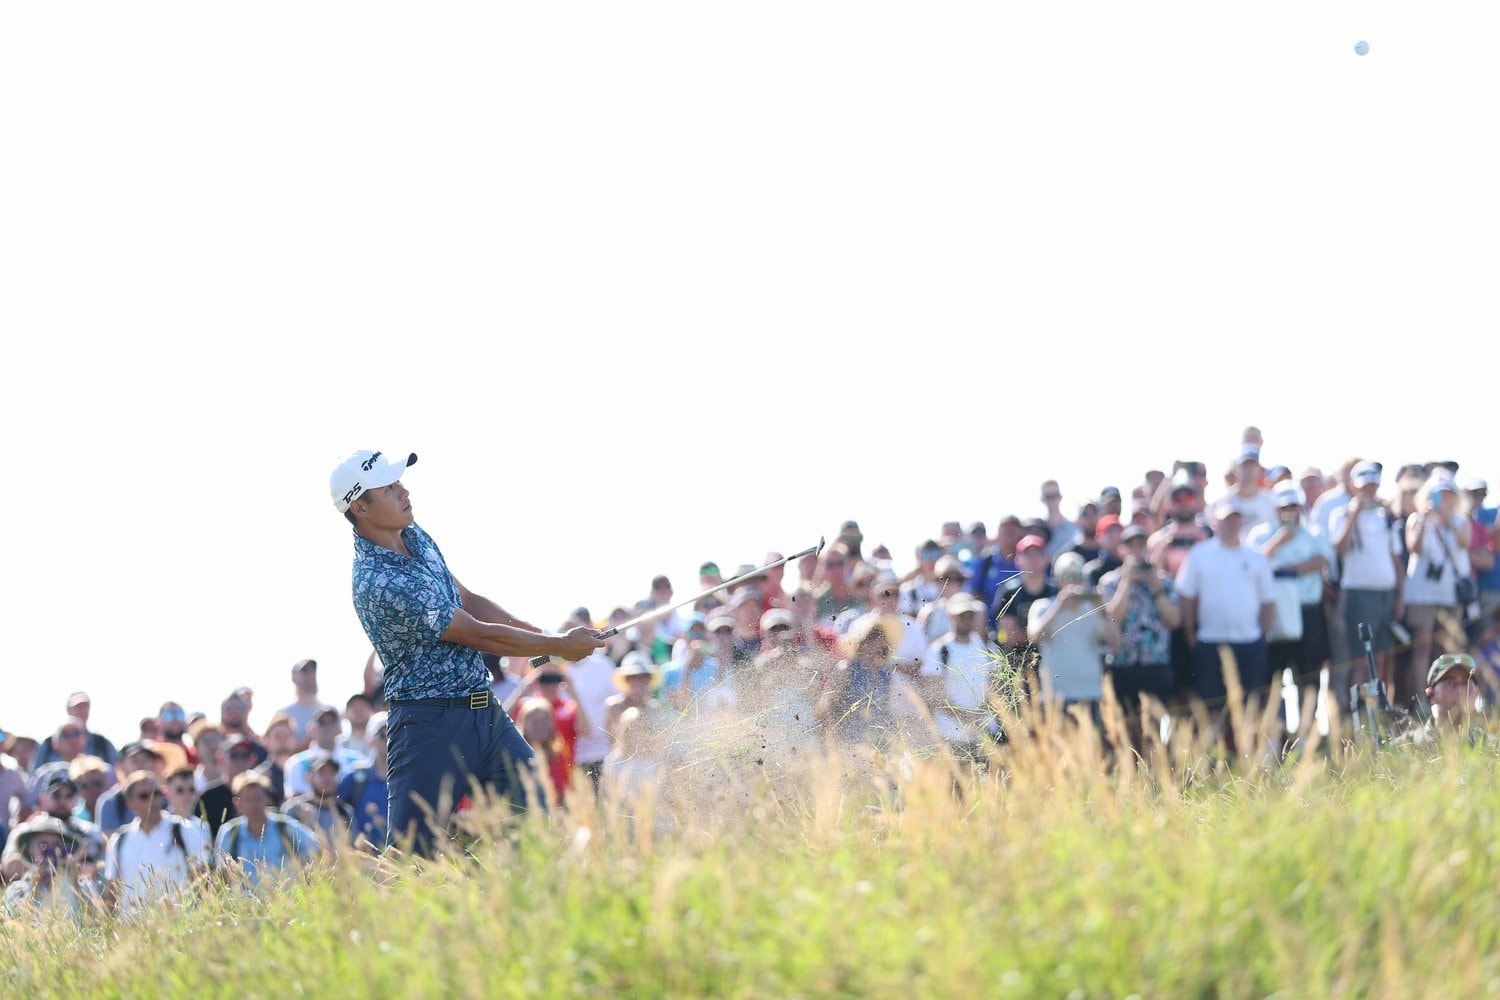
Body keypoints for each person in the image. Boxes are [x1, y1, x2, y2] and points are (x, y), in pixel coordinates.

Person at [331, 449, 601, 854]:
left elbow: (468, 600)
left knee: (537, 820)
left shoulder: (414, 535)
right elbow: (475, 634)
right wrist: (558, 646)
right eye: (389, 488)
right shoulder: (379, 581)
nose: (404, 491)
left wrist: (545, 636)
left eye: (399, 482)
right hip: (429, 727)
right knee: (412, 856)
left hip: (485, 714)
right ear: (360, 507)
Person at [1176, 499, 1277, 721]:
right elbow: (1186, 596)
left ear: (1242, 522)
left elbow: (1268, 600)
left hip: (1249, 642)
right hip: (1209, 642)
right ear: (1215, 523)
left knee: (1249, 708)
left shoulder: (1257, 557)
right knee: (1211, 708)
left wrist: (1262, 636)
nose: (1231, 525)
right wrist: (1190, 633)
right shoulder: (1199, 553)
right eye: (1226, 520)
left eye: (1235, 519)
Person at [1248, 486, 1333, 726]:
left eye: (1293, 507)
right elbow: (1254, 562)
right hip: (1275, 613)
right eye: (1284, 508)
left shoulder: (1314, 533)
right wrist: (1280, 540)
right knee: (1272, 677)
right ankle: (1275, 731)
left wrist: (1289, 569)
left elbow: (1321, 559)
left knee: (1308, 675)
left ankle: (1307, 730)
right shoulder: (1261, 533)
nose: (1289, 512)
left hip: (1307, 611)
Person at [1330, 462, 1405, 703]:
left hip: (1386, 593)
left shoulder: (1386, 516)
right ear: (1354, 487)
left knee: (1382, 655)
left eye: (1372, 486)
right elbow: (1340, 548)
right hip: (1358, 593)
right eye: (1364, 487)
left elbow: (1396, 560)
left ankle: (1379, 706)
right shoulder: (1341, 514)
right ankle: (1356, 707)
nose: (1369, 491)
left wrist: (1400, 597)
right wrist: (1354, 514)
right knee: (1360, 658)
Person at [104, 771, 210, 917]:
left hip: (181, 924)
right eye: (144, 796)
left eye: (156, 793)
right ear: (129, 803)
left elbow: (205, 881)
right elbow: (112, 891)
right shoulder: (119, 840)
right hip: (133, 927)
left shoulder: (185, 829)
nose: (152, 800)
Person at [1027, 552, 1121, 717]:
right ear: (1057, 579)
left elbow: (1115, 643)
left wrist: (1102, 609)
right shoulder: (1043, 606)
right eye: (1068, 576)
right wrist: (1059, 606)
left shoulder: (1093, 609)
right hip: (1055, 694)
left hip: (1090, 693)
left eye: (1078, 576)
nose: (1074, 582)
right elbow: (1035, 637)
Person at [918, 593, 1001, 762]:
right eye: (961, 615)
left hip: (985, 733)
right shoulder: (938, 650)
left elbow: (997, 688)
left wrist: (979, 715)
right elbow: (934, 695)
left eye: (970, 615)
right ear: (950, 616)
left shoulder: (988, 648)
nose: (966, 620)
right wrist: (968, 716)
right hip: (950, 734)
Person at [214, 772, 320, 888]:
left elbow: (318, 849)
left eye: (257, 798)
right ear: (237, 803)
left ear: (268, 799)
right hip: (243, 900)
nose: (254, 804)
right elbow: (221, 871)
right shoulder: (230, 832)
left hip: (286, 898)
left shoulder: (285, 826)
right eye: (248, 799)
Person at [1, 817, 102, 922]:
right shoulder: (17, 889)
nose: (50, 850)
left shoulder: (84, 885)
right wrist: (34, 887)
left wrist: (75, 885)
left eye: (57, 845)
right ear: (29, 849)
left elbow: (97, 921)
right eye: (43, 845)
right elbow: (12, 922)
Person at [283, 706, 369, 799]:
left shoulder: (358, 761)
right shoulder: (296, 764)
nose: (327, 727)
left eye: (332, 721)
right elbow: (295, 799)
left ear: (339, 727)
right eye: (321, 722)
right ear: (311, 729)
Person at [339, 712, 390, 850]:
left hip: (403, 858)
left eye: (393, 733)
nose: (388, 739)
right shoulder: (354, 778)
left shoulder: (409, 777)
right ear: (371, 740)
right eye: (382, 735)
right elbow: (336, 812)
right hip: (362, 857)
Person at [283, 754, 356, 848]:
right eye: (322, 773)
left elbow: (354, 850)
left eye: (332, 773)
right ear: (309, 777)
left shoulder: (345, 812)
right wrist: (306, 824)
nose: (327, 778)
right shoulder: (294, 810)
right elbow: (288, 847)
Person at [276, 659, 335, 750]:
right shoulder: (283, 714)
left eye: (313, 671)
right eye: (305, 671)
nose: (310, 675)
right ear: (293, 678)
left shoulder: (331, 711)